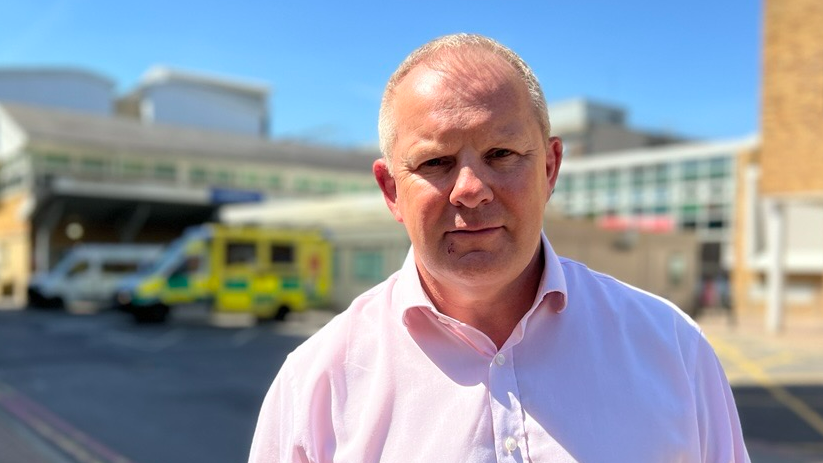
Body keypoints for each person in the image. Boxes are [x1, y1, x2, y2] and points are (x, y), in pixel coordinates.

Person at [249, 33, 749, 462]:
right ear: (390, 190)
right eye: (436, 162)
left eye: (502, 154)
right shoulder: (315, 383)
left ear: (550, 168)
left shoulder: (674, 349)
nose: (471, 187)